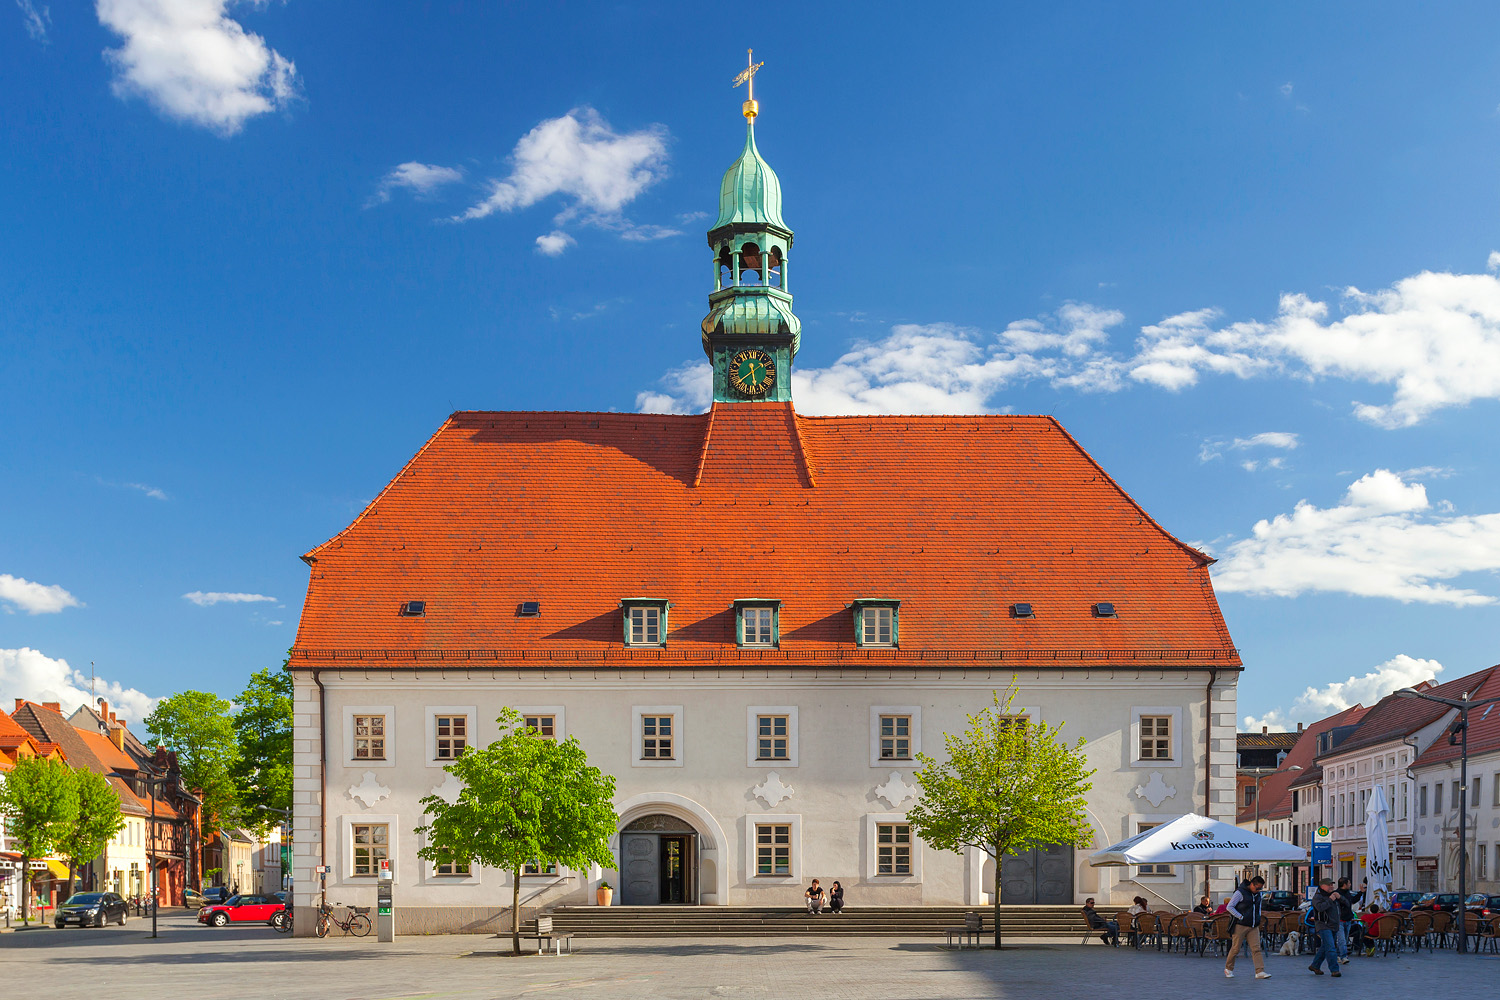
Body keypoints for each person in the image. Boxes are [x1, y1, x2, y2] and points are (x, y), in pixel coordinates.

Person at [1224, 874, 1272, 979]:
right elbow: (1230, 907)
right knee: (1236, 948)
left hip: (1253, 925)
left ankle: (1259, 971)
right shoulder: (1240, 893)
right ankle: (1228, 968)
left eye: (1260, 888)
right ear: (1251, 884)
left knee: (1256, 949)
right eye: (1257, 888)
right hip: (1240, 925)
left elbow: (1258, 907)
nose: (1258, 890)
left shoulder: (1258, 895)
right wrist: (1240, 916)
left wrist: (1258, 917)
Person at [1308, 877, 1343, 977]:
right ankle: (1334, 970)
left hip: (1334, 925)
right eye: (1329, 885)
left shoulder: (1334, 895)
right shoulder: (1317, 897)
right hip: (1323, 925)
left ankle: (1315, 965)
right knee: (1331, 947)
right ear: (1322, 886)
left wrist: (1340, 897)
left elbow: (1347, 904)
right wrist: (1330, 900)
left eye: (1332, 885)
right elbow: (1320, 908)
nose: (1331, 887)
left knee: (1325, 947)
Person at [1334, 877, 1356, 965]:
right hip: (1339, 920)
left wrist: (1361, 893)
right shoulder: (1336, 894)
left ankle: (1339, 955)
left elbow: (1352, 901)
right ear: (1344, 884)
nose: (1350, 885)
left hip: (1348, 919)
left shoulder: (1348, 893)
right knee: (1342, 940)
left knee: (1345, 940)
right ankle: (1344, 957)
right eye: (1349, 883)